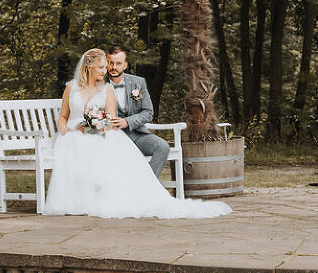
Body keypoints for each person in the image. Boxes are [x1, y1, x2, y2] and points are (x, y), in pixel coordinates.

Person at [43, 47, 231, 219]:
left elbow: (140, 113)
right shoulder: (72, 87)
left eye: (113, 65)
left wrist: (103, 124)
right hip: (80, 134)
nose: (107, 69)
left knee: (160, 146)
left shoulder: (131, 84)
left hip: (121, 131)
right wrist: (64, 128)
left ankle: (142, 189)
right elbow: (63, 117)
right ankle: (86, 198)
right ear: (88, 66)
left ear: (125, 65)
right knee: (78, 144)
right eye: (103, 66)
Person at [106, 45, 169, 179]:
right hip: (113, 137)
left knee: (162, 147)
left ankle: (148, 186)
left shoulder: (137, 82)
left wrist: (127, 122)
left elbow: (148, 112)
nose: (114, 67)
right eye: (111, 63)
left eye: (118, 63)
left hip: (137, 134)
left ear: (125, 65)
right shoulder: (99, 84)